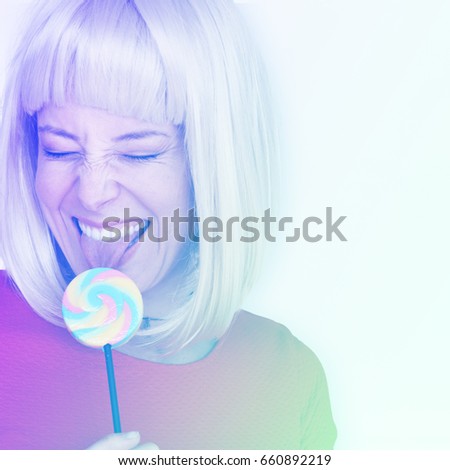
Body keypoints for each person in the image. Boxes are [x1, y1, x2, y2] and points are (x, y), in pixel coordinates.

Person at [0, 0, 337, 450]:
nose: (91, 192)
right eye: (59, 149)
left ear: (213, 167)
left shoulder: (287, 379)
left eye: (139, 153)